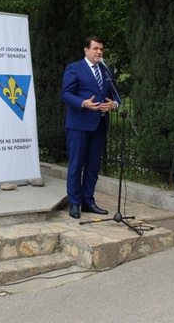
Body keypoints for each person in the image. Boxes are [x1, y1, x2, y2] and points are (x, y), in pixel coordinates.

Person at [61, 36, 119, 219]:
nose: (99, 52)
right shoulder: (74, 68)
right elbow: (66, 94)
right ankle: (74, 203)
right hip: (78, 125)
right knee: (76, 165)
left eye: (101, 49)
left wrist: (114, 105)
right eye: (95, 49)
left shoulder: (107, 71)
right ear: (86, 50)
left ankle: (88, 202)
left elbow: (115, 96)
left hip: (99, 125)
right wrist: (83, 103)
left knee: (93, 167)